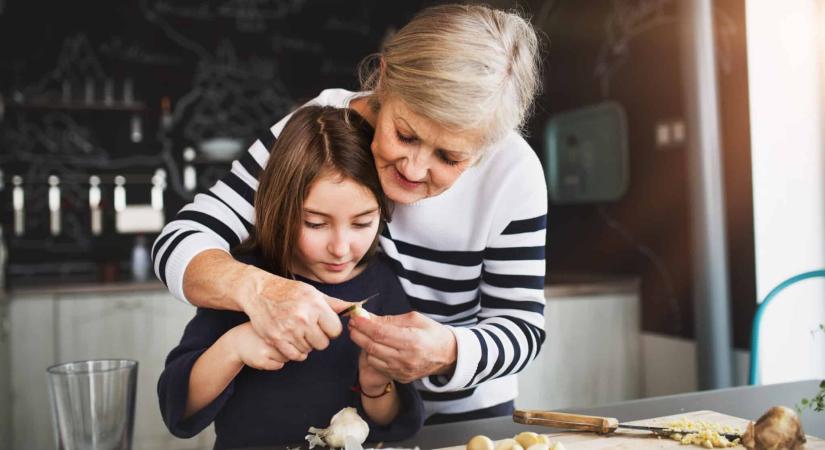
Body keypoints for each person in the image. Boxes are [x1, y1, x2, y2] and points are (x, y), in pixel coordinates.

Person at [153, 4, 547, 424]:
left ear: (488, 143)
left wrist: (449, 351)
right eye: (405, 134)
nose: (413, 170)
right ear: (384, 78)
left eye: (449, 157)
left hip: (470, 418)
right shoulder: (323, 129)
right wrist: (257, 290)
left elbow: (521, 326)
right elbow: (182, 238)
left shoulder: (513, 174)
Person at [157, 106, 424, 449]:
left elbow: (396, 427)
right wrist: (235, 347)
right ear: (281, 210)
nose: (341, 248)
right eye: (315, 223)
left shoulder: (383, 285)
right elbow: (178, 410)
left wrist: (376, 386)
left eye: (362, 223)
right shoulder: (249, 283)